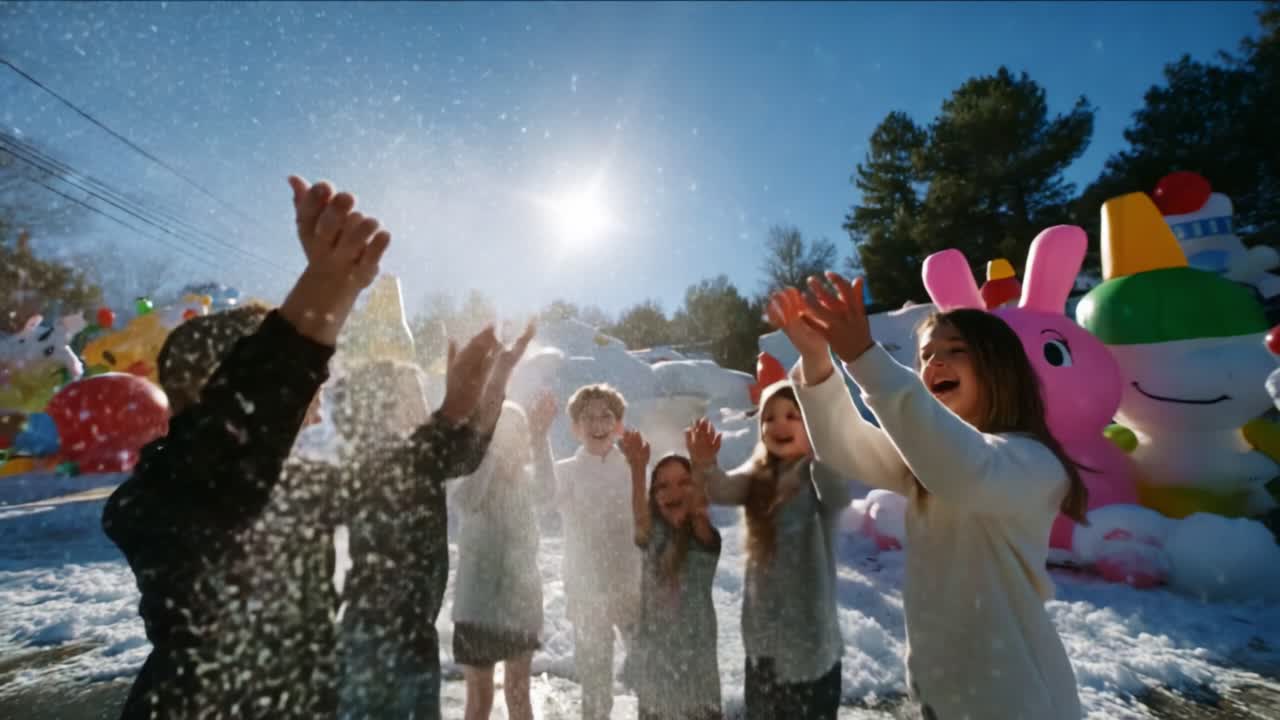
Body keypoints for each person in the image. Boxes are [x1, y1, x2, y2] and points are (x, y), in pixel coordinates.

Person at [102, 176, 517, 719]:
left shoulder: (296, 484)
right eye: (302, 379)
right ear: (218, 390)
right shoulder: (163, 494)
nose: (316, 388)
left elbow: (419, 467)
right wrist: (325, 289)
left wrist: (466, 408)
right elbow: (234, 440)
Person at [777, 275, 1085, 719]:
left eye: (956, 351)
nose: (936, 364)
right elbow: (845, 446)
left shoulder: (1031, 463)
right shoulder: (934, 463)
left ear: (1001, 369)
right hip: (943, 689)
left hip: (1018, 696)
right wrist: (816, 359)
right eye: (926, 355)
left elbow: (966, 472)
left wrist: (865, 358)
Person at [687, 374, 857, 720]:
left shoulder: (819, 476)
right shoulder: (757, 478)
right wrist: (705, 463)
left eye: (794, 416)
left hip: (812, 648)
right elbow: (720, 490)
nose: (780, 424)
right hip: (762, 642)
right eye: (770, 417)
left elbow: (839, 492)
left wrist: (824, 436)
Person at [450, 392, 558, 720]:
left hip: (519, 605)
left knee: (518, 694)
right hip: (476, 608)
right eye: (502, 435)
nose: (512, 443)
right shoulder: (472, 476)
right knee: (480, 700)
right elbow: (466, 500)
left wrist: (540, 441)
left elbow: (548, 493)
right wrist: (493, 455)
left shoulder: (526, 484)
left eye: (518, 434)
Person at [538, 383, 642, 720]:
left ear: (619, 424)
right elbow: (541, 499)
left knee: (649, 673)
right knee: (596, 687)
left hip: (632, 587)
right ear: (575, 427)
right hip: (586, 592)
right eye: (588, 417)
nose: (598, 424)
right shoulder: (566, 471)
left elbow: (652, 524)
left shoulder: (634, 467)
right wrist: (539, 440)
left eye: (606, 416)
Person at [623, 428, 722, 720]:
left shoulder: (703, 542)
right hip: (656, 676)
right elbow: (640, 517)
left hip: (698, 679)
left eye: (683, 483)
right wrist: (638, 469)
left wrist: (701, 467)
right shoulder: (652, 540)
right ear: (654, 498)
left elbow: (699, 511)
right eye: (662, 486)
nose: (673, 491)